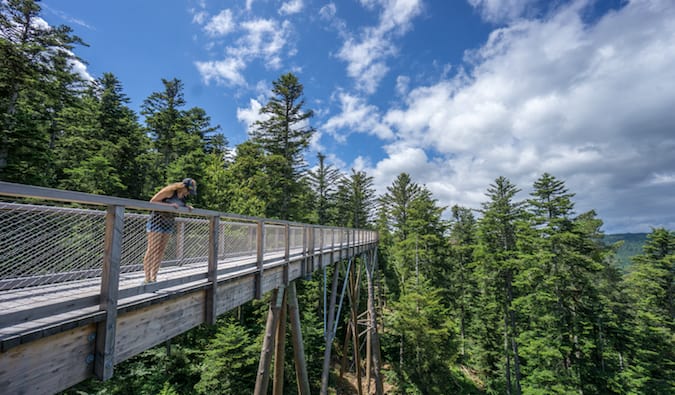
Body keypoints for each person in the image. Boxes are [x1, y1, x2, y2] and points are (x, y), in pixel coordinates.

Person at [142, 178, 197, 283]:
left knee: (161, 251)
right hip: (156, 221)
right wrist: (169, 206)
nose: (188, 193)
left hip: (168, 224)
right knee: (152, 249)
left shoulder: (183, 197)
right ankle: (147, 278)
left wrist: (187, 207)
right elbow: (152, 201)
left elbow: (179, 206)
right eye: (188, 190)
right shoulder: (170, 191)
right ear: (183, 186)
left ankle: (154, 277)